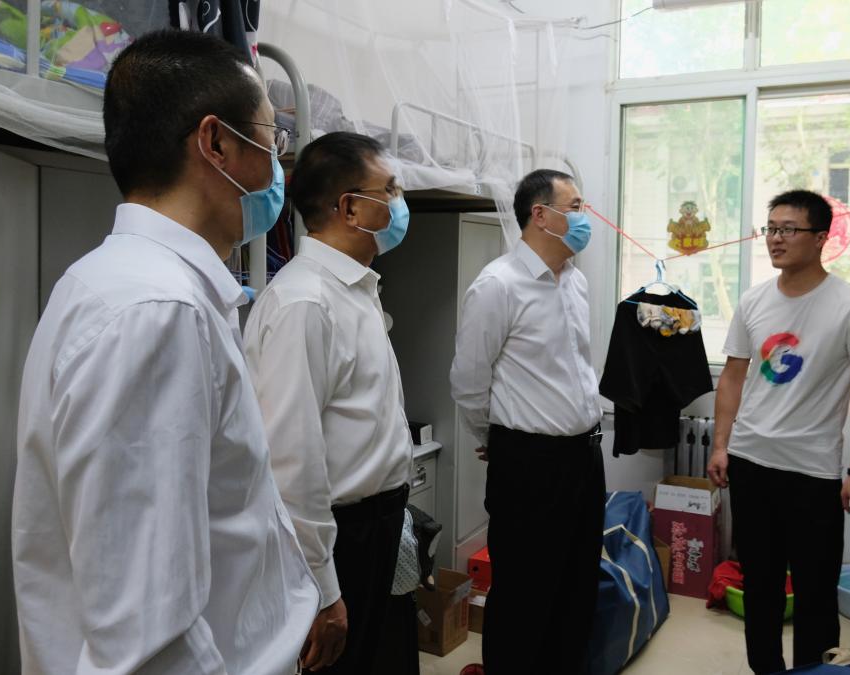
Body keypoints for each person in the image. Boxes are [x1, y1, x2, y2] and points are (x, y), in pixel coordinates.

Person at [12, 30, 319, 674]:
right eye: (272, 136)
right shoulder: (156, 312)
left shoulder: (125, 285)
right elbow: (146, 640)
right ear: (216, 143)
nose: (278, 161)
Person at [244, 131, 415, 674]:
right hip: (341, 537)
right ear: (350, 207)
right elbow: (291, 462)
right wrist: (322, 589)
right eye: (390, 191)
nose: (399, 203)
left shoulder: (355, 289)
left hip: (378, 522)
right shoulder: (305, 302)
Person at [706, 190, 850, 674]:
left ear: (821, 237)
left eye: (788, 229)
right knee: (761, 586)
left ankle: (813, 672)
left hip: (813, 471)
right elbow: (733, 378)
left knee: (815, 593)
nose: (776, 239)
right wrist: (721, 445)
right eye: (771, 229)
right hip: (750, 463)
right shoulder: (753, 300)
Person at [450, 169, 604, 674]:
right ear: (540, 215)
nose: (584, 217)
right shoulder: (498, 285)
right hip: (530, 463)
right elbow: (468, 381)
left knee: (577, 586)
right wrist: (494, 437)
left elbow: (576, 369)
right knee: (524, 593)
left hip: (584, 456)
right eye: (575, 207)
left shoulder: (575, 280)